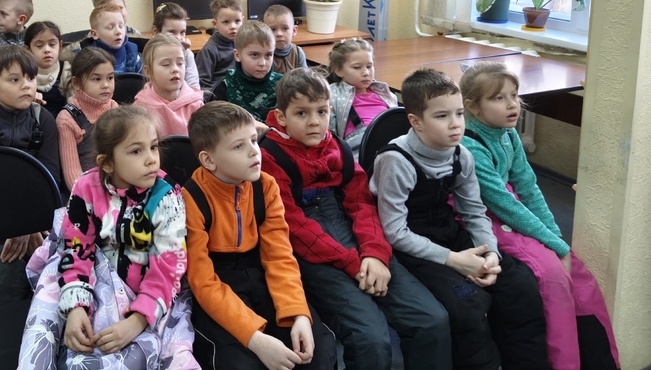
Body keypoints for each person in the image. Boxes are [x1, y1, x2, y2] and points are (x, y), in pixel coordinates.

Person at [261, 68, 451, 370]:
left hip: (355, 236)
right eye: (301, 113)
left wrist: (375, 254)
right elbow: (294, 226)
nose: (314, 121)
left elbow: (362, 202)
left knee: (431, 319)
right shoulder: (269, 156)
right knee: (370, 338)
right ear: (281, 117)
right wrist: (353, 263)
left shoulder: (337, 146)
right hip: (313, 250)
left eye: (322, 111)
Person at [370, 69, 550, 370]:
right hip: (409, 243)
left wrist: (491, 254)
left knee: (519, 285)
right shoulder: (395, 160)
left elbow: (474, 212)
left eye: (459, 114)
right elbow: (395, 232)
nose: (456, 124)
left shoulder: (461, 154)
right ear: (416, 122)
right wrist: (454, 260)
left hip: (447, 230)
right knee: (467, 304)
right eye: (442, 116)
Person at [459, 63, 619, 370]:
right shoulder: (470, 144)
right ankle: (563, 364)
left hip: (511, 207)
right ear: (473, 107)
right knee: (552, 275)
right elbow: (502, 203)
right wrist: (555, 247)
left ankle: (598, 362)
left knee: (579, 274)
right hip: (484, 215)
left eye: (514, 95)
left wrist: (555, 235)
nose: (512, 105)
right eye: (498, 98)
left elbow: (527, 186)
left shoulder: (508, 134)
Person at [19, 105, 196, 369]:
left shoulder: (166, 196)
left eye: (153, 147)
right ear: (107, 163)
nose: (151, 159)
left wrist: (136, 321)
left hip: (147, 287)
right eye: (136, 151)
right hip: (94, 273)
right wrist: (76, 307)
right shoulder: (86, 187)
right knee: (49, 302)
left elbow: (168, 269)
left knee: (166, 349)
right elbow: (76, 249)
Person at [183, 101, 337, 370]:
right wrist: (255, 339)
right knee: (242, 363)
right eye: (238, 146)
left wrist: (298, 313)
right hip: (219, 284)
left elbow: (279, 256)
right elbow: (203, 282)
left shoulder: (265, 186)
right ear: (208, 160)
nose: (254, 151)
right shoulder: (190, 199)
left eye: (254, 140)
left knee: (318, 351)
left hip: (261, 273)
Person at [0, 45, 60, 305]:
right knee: (3, 266)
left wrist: (29, 224)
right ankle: (5, 324)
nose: (26, 85)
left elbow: (50, 181)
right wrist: (16, 226)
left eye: (30, 78)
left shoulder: (44, 121)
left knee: (62, 260)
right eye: (14, 80)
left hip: (38, 216)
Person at [57, 47, 119, 192]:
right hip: (86, 193)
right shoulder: (66, 120)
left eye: (110, 78)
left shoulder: (114, 108)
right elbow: (72, 174)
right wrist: (91, 198)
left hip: (116, 186)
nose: (106, 85)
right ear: (76, 83)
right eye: (97, 79)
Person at [328, 38, 398, 152]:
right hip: (358, 151)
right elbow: (329, 136)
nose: (366, 73)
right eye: (357, 67)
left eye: (369, 66)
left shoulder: (387, 95)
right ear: (339, 70)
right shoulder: (331, 95)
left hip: (393, 144)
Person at [134, 33, 203, 136]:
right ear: (148, 71)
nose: (175, 69)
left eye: (180, 63)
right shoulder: (140, 109)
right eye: (166, 64)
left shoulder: (196, 104)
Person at [213, 20, 281, 122]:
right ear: (237, 55)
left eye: (268, 55)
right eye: (255, 55)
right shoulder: (225, 87)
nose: (262, 63)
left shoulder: (282, 85)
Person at [195, 0, 243, 95]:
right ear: (215, 24)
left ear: (242, 20)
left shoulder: (244, 44)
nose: (233, 26)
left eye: (237, 21)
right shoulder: (209, 50)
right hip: (220, 98)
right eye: (226, 22)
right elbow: (202, 85)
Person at [151, 1, 200, 90]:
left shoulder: (187, 54)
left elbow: (194, 88)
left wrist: (182, 53)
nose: (178, 38)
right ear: (156, 31)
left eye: (182, 32)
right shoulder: (150, 54)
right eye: (171, 32)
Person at [26, 20, 68, 119]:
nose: (47, 50)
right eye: (39, 46)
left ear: (60, 46)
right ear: (28, 50)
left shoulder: (67, 70)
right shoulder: (22, 72)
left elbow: (74, 103)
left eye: (52, 44)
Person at [89, 3, 142, 73]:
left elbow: (143, 79)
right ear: (95, 34)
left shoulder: (133, 53)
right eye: (110, 27)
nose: (118, 31)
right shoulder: (88, 58)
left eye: (121, 26)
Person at [264, 5, 307, 75]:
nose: (279, 34)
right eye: (273, 29)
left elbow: (305, 78)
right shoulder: (264, 55)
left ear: (294, 31)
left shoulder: (298, 52)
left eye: (285, 28)